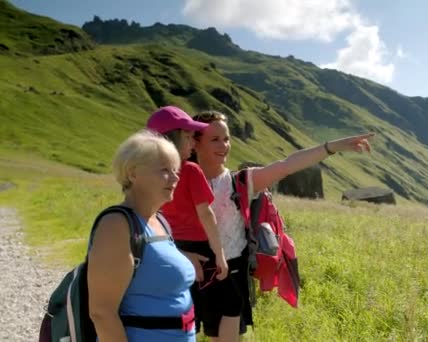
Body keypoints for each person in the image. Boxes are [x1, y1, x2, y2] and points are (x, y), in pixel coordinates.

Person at [190, 110, 374, 341]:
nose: (224, 145)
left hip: (231, 272)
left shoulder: (242, 181)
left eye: (226, 138)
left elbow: (287, 165)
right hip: (191, 270)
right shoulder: (178, 180)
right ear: (194, 142)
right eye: (215, 139)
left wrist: (332, 147)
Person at [88, 130, 196, 341]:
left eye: (176, 170)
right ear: (132, 174)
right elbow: (102, 313)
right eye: (164, 170)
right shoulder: (116, 225)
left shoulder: (160, 222)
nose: (175, 177)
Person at [145, 105, 229, 333]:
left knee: (174, 315)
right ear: (173, 139)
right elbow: (206, 214)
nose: (193, 143)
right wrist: (220, 255)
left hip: (164, 247)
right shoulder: (191, 170)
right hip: (200, 251)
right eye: (189, 137)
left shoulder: (144, 174)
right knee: (212, 311)